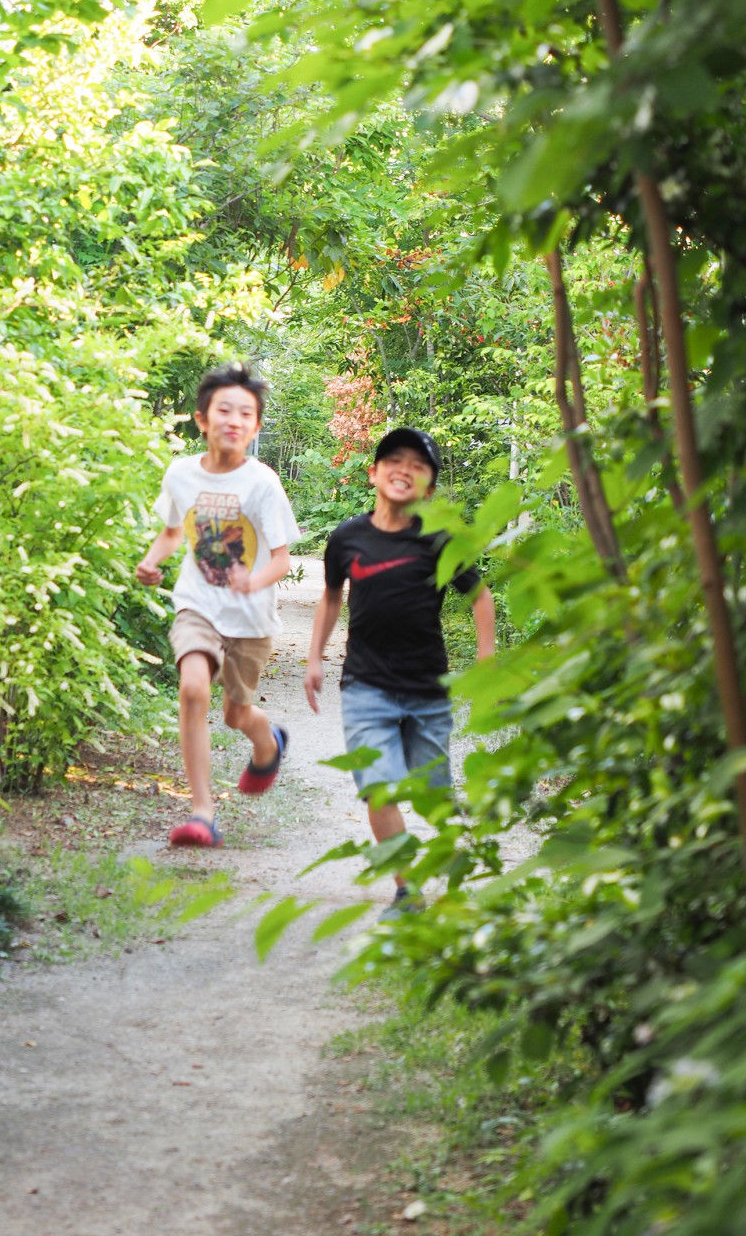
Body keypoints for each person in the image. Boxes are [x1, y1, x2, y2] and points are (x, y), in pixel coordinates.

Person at [304, 426, 495, 915]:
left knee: (433, 797)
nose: (403, 469)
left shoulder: (439, 539)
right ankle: (408, 889)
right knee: (378, 786)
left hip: (427, 688)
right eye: (394, 460)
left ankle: (453, 876)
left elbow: (480, 597)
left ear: (429, 488)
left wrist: (486, 661)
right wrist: (315, 656)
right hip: (365, 686)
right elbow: (331, 598)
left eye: (418, 464)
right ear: (373, 472)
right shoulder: (347, 538)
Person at [136, 362, 300, 848]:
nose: (234, 420)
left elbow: (282, 559)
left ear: (256, 427)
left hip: (249, 618)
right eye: (223, 410)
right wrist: (150, 562)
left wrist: (253, 582)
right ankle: (202, 811)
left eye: (245, 413)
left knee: (236, 714)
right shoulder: (181, 474)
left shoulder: (262, 483)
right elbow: (171, 533)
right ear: (201, 419)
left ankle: (268, 745)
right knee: (192, 689)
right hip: (198, 604)